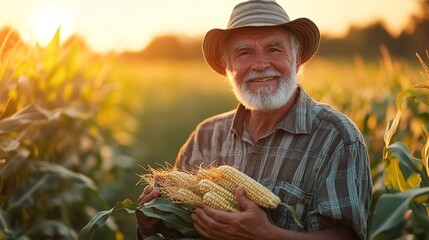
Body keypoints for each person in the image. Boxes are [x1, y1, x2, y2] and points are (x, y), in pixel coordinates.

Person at [136, 0, 372, 239]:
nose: (260, 65)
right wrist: (155, 223)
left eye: (273, 50)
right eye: (245, 52)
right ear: (228, 66)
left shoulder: (337, 137)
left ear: (297, 59)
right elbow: (178, 229)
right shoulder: (204, 137)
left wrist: (267, 235)